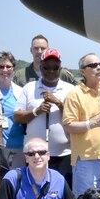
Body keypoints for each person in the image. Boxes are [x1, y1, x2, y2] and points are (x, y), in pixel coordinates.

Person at [62, 53, 100, 199]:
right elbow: (68, 125)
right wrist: (93, 123)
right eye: (93, 65)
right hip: (85, 158)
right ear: (82, 71)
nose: (99, 67)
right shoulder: (74, 94)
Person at [15, 48, 75, 183]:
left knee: (61, 194)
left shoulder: (70, 89)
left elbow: (76, 117)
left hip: (63, 154)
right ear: (40, 68)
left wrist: (58, 103)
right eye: (47, 68)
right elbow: (17, 117)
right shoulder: (29, 88)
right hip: (35, 154)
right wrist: (37, 111)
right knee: (36, 190)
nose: (51, 71)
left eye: (55, 68)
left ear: (61, 69)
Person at [0, 51, 26, 170]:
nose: (5, 70)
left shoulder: (21, 91)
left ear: (14, 69)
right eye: (1, 66)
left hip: (18, 147)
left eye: (8, 66)